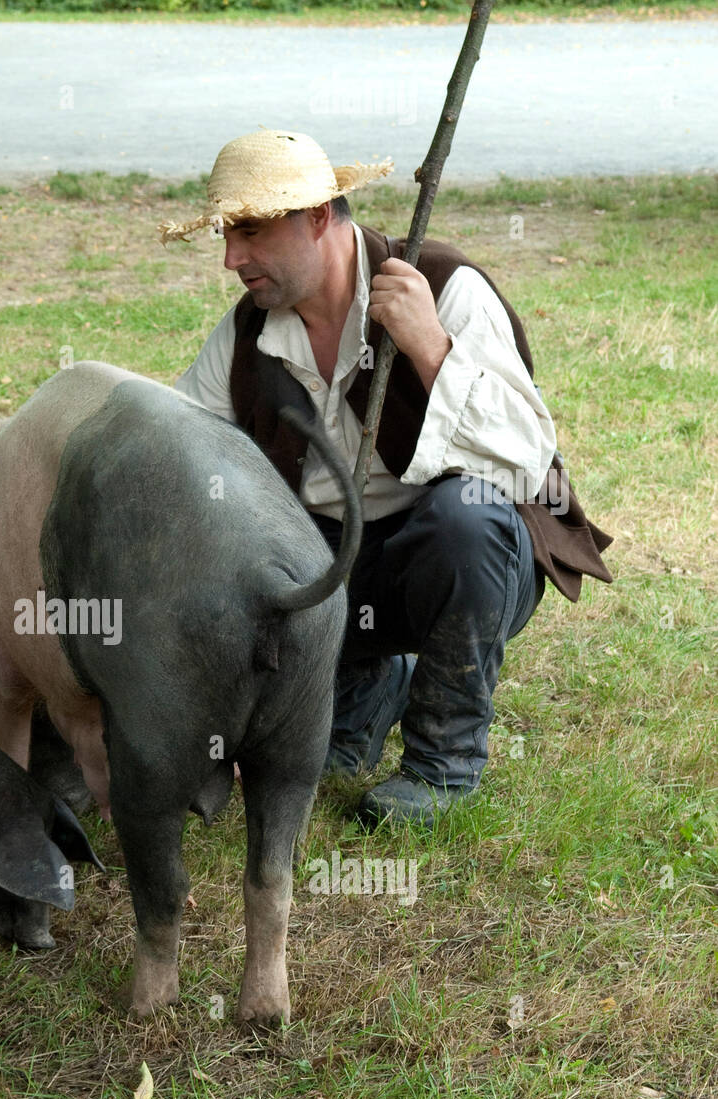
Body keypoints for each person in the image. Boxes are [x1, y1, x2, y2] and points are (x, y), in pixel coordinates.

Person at [163, 130, 612, 827]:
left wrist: (431, 348)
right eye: (226, 234)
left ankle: (443, 762)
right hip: (336, 578)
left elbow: (528, 458)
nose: (231, 258)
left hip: (465, 561)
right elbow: (181, 451)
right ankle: (362, 688)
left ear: (316, 217)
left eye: (249, 231)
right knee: (239, 537)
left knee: (465, 516)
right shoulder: (249, 335)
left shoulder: (444, 285)